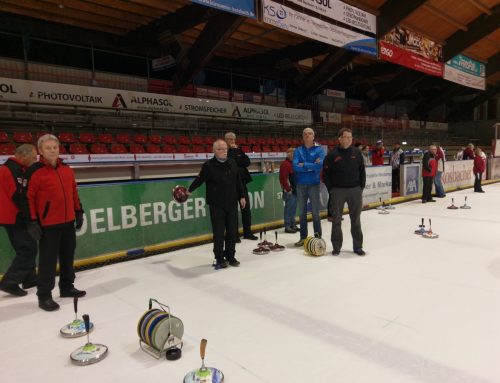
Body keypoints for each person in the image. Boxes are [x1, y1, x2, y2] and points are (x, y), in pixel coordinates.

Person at [27, 134, 85, 311]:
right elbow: (28, 198)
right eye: (48, 148)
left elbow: (73, 192)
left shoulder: (67, 169)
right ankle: (44, 296)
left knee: (68, 257)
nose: (52, 150)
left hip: (67, 221)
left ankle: (67, 287)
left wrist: (78, 211)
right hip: (48, 225)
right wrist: (32, 221)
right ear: (40, 151)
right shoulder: (34, 172)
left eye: (55, 147)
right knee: (48, 262)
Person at [187, 139, 246, 269]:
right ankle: (219, 257)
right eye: (220, 149)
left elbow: (238, 180)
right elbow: (199, 179)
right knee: (219, 232)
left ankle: (230, 256)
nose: (224, 151)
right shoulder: (208, 166)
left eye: (225, 148)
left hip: (231, 202)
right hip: (216, 204)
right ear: (214, 151)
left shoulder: (232, 162)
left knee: (232, 231)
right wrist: (189, 190)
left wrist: (241, 196)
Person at [0, 144, 38, 297]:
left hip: (10, 215)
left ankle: (29, 279)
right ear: (24, 156)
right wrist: (29, 215)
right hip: (13, 215)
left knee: (27, 246)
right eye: (33, 157)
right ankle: (10, 282)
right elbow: (19, 196)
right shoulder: (12, 170)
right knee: (28, 248)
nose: (35, 160)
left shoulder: (12, 168)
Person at [323, 128, 366, 256]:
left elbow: (362, 171)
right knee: (336, 220)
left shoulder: (357, 153)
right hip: (338, 191)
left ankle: (358, 247)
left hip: (355, 190)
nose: (348, 139)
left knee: (356, 220)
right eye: (346, 137)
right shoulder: (332, 154)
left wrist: (360, 187)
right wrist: (332, 189)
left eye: (350, 137)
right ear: (340, 138)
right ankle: (336, 247)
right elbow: (325, 174)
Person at [293, 127, 325, 246]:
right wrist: (311, 165)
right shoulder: (297, 150)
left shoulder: (319, 150)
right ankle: (303, 238)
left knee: (316, 213)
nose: (307, 135)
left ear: (313, 136)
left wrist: (304, 164)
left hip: (314, 184)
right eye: (305, 134)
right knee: (302, 213)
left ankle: (318, 237)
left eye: (310, 133)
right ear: (303, 136)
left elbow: (319, 166)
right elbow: (296, 167)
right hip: (300, 184)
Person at [225, 132, 258, 241]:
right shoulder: (224, 151)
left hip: (242, 183)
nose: (232, 141)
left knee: (246, 209)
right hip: (231, 185)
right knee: (233, 211)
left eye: (233, 139)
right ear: (226, 140)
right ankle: (234, 235)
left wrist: (238, 157)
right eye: (229, 139)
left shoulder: (239, 149)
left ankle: (247, 232)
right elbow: (231, 162)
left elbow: (247, 161)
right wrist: (238, 157)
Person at [279, 147, 298, 233]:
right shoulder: (285, 164)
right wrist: (288, 189)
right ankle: (287, 226)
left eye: (294, 153)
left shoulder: (294, 164)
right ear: (288, 154)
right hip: (289, 191)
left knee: (293, 209)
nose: (293, 154)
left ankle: (293, 224)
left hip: (295, 190)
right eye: (292, 153)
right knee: (288, 208)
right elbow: (283, 179)